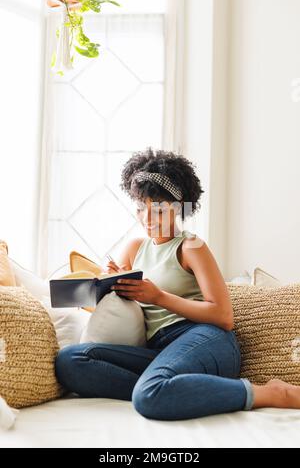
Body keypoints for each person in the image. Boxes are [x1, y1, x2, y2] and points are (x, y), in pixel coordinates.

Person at [55, 148, 300, 420]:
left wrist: (158, 297)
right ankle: (172, 390)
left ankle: (272, 393)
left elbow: (223, 316)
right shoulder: (134, 248)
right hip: (160, 351)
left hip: (204, 339)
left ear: (176, 208)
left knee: (148, 396)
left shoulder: (191, 246)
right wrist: (109, 282)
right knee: (70, 361)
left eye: (157, 210)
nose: (147, 219)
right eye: (140, 209)